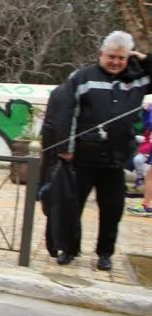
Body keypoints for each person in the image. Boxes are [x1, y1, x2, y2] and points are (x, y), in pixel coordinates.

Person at [44, 31, 152, 270]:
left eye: (121, 58)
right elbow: (66, 113)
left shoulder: (138, 78)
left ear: (128, 57)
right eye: (111, 56)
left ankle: (105, 253)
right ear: (101, 54)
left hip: (116, 159)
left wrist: (143, 59)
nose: (116, 62)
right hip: (82, 157)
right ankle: (69, 250)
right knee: (72, 207)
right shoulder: (82, 77)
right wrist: (66, 148)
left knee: (112, 210)